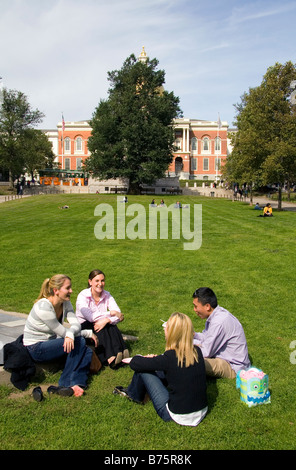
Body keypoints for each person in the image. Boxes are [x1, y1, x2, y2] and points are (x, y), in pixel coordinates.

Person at [113, 312, 208, 427]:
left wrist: (139, 358)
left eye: (166, 327)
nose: (164, 330)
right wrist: (154, 360)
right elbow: (170, 365)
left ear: (172, 332)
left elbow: (136, 364)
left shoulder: (169, 357)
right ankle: (137, 392)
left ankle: (133, 395)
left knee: (143, 371)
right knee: (156, 369)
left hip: (176, 416)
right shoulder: (196, 351)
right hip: (202, 411)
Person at [23, 275, 96, 397]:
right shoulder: (43, 307)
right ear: (56, 291)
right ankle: (66, 383)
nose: (71, 291)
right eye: (68, 288)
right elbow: (63, 332)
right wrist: (85, 333)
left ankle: (78, 383)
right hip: (36, 348)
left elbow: (76, 326)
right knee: (79, 342)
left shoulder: (65, 303)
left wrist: (73, 333)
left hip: (49, 345)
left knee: (86, 351)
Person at [192, 287, 250, 379]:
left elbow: (206, 351)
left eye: (196, 306)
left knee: (190, 360)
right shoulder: (217, 314)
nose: (194, 310)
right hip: (224, 358)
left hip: (233, 367)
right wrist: (193, 335)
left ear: (207, 306)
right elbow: (207, 337)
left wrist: (186, 343)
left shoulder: (219, 322)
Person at [76, 269, 128, 368]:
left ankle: (120, 354)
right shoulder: (83, 296)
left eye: (102, 280)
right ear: (90, 282)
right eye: (97, 281)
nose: (100, 284)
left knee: (110, 325)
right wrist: (111, 313)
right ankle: (111, 357)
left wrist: (107, 319)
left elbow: (119, 315)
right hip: (84, 326)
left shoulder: (107, 295)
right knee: (100, 326)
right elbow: (91, 317)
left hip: (100, 322)